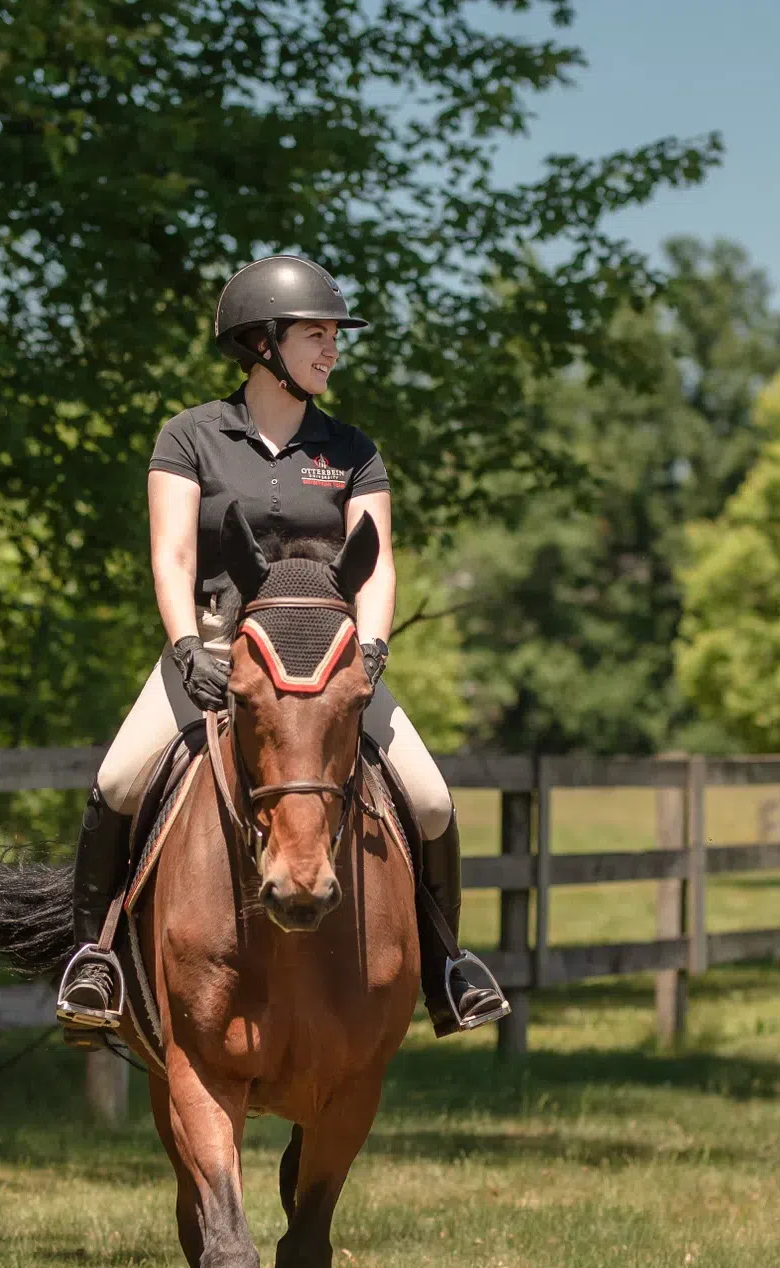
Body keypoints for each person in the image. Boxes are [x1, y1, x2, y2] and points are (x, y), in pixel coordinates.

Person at [55, 254, 511, 1040]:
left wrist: (370, 648)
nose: (332, 350)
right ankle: (94, 963)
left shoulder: (354, 449)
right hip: (217, 647)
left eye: (333, 336)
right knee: (118, 778)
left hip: (332, 660)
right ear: (263, 343)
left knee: (431, 798)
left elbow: (380, 560)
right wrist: (184, 647)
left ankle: (446, 968)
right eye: (316, 334)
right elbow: (171, 555)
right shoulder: (190, 435)